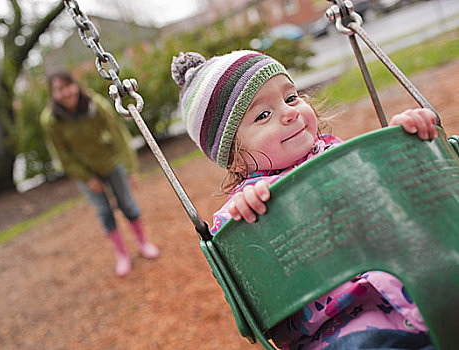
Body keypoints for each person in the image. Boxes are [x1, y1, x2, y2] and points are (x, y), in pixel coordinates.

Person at [171, 50, 437, 349]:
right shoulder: (247, 203)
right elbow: (251, 272)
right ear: (234, 159)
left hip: (414, 284)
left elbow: (399, 193)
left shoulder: (337, 153)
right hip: (341, 328)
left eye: (291, 97)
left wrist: (405, 137)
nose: (290, 112)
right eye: (263, 115)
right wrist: (248, 218)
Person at [40, 70, 159, 277]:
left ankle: (143, 243)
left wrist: (130, 170)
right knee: (104, 212)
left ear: (76, 85)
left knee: (127, 204)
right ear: (53, 94)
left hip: (111, 162)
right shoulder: (51, 120)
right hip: (85, 170)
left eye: (68, 86)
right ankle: (122, 255)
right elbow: (62, 155)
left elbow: (119, 136)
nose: (66, 93)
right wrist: (86, 178)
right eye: (59, 90)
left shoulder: (96, 106)